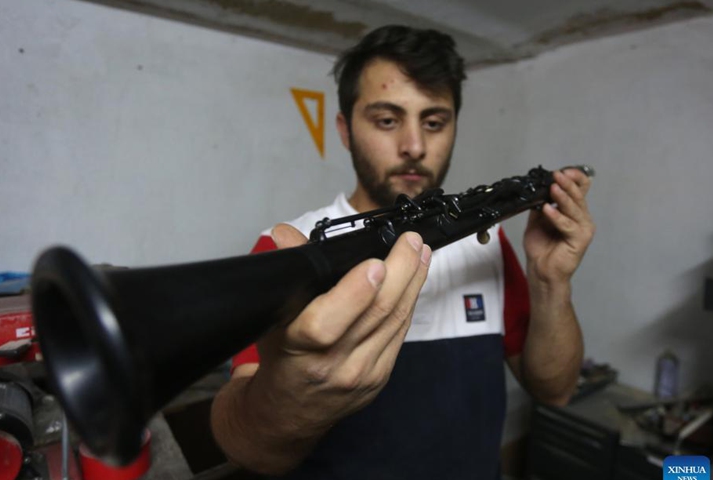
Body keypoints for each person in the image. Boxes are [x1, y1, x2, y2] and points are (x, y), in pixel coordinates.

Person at [210, 25, 595, 479]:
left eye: (434, 122)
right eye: (387, 120)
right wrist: (286, 403)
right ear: (346, 130)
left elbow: (554, 392)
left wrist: (552, 282)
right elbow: (248, 450)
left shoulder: (490, 245)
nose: (414, 146)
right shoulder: (283, 246)